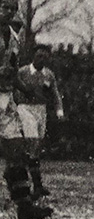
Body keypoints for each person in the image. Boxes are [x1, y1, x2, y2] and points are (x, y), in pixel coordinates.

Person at [0, 0, 52, 219]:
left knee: (17, 150)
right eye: (5, 7)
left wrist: (25, 88)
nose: (9, 11)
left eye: (13, 7)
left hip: (5, 100)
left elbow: (11, 71)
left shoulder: (13, 36)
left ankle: (23, 205)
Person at [17, 43, 66, 199]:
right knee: (33, 141)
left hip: (41, 110)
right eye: (39, 56)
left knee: (37, 147)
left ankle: (37, 185)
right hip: (25, 108)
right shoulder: (23, 72)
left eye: (45, 56)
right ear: (33, 56)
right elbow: (13, 87)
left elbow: (55, 93)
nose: (41, 59)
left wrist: (59, 111)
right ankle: (31, 184)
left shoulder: (48, 75)